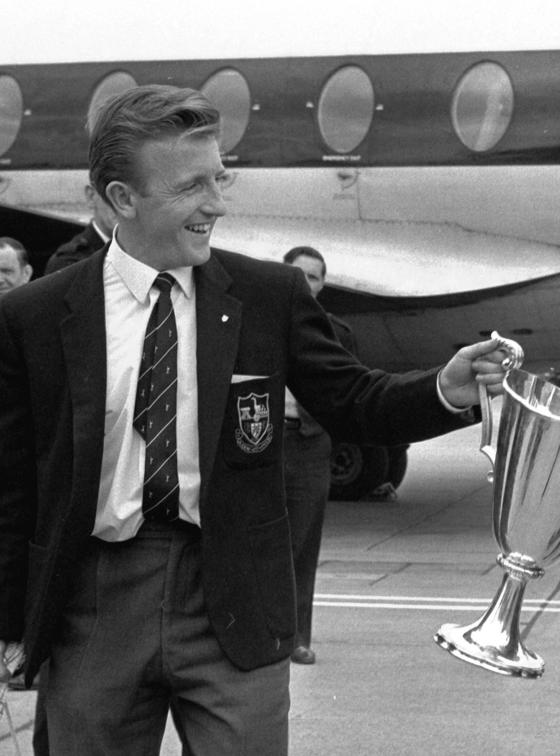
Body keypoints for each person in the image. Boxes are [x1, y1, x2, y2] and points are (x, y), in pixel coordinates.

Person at [0, 84, 512, 756]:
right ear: (123, 199)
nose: (215, 203)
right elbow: (13, 489)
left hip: (232, 597)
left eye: (219, 178)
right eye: (191, 187)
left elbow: (354, 400)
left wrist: (443, 388)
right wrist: (14, 622)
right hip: (94, 604)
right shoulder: (36, 317)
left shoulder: (269, 297)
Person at [280, 244, 350, 666]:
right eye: (299, 275)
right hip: (264, 441)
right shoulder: (257, 321)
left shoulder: (336, 332)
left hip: (309, 444)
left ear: (324, 284)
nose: (307, 284)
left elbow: (349, 392)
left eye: (315, 277)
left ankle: (297, 639)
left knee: (304, 545)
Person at [44, 184, 118, 274]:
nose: (124, 204)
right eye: (114, 193)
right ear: (92, 196)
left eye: (134, 193)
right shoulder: (69, 264)